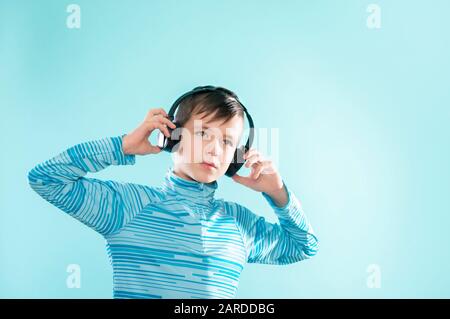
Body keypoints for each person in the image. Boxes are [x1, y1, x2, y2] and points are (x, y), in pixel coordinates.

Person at [27, 86, 319, 299]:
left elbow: (303, 246)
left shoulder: (239, 224)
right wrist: (123, 146)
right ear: (172, 136)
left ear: (236, 158)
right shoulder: (128, 207)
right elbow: (46, 179)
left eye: (228, 142)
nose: (215, 150)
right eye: (204, 133)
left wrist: (278, 194)